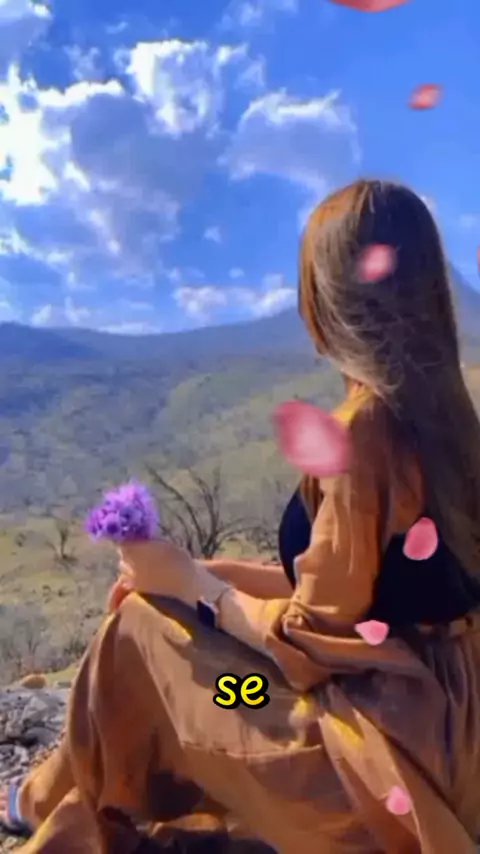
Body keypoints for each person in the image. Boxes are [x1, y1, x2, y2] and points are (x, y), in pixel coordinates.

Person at [3, 178, 480, 853]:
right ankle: (54, 798)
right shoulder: (449, 419)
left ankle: (49, 802)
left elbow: (310, 646)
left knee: (144, 636)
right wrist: (201, 572)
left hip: (360, 757)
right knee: (155, 620)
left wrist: (195, 589)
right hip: (448, 731)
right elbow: (362, 602)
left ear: (323, 298)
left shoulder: (363, 433)